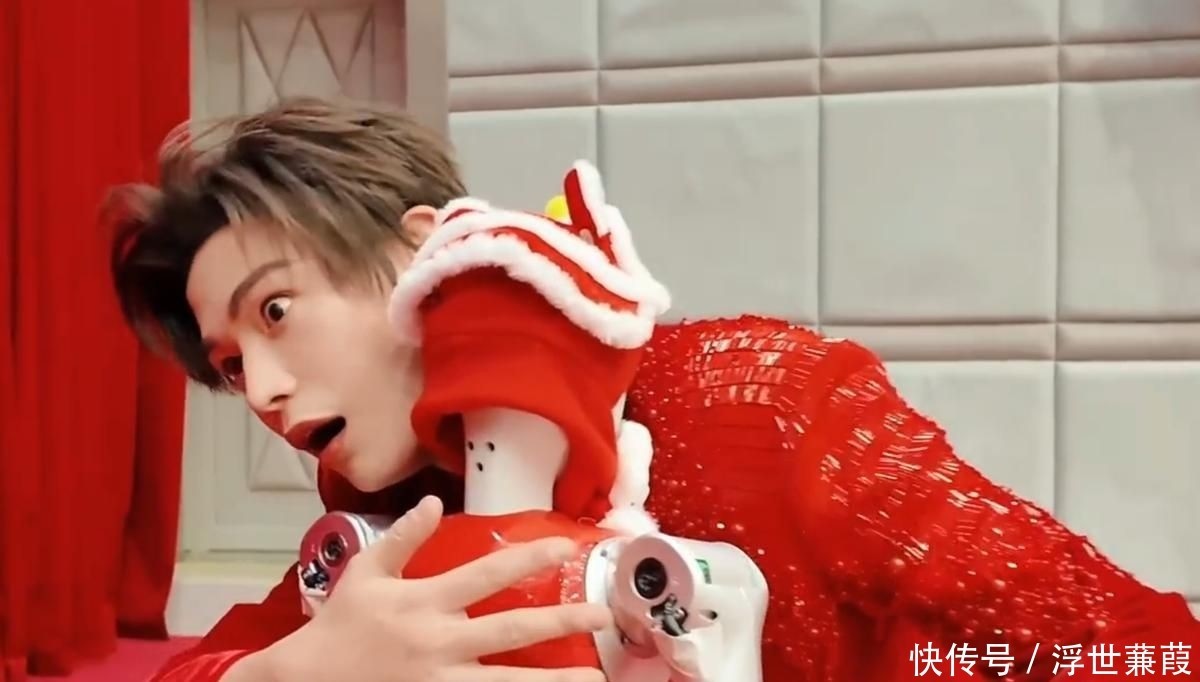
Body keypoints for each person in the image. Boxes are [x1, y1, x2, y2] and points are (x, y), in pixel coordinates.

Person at [108, 97, 1199, 682]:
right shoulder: (387, 526)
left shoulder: (761, 403)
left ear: (426, 253)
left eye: (276, 312)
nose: (265, 389)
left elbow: (1130, 642)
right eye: (233, 365)